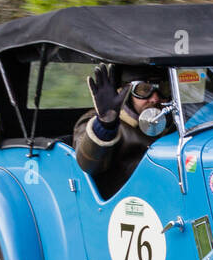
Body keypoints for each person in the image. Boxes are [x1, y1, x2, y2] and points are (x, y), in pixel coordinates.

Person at [73, 64, 173, 200]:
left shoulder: (176, 124)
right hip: (127, 206)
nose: (155, 99)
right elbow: (87, 163)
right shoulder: (97, 122)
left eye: (163, 88)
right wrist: (106, 125)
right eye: (144, 90)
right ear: (124, 92)